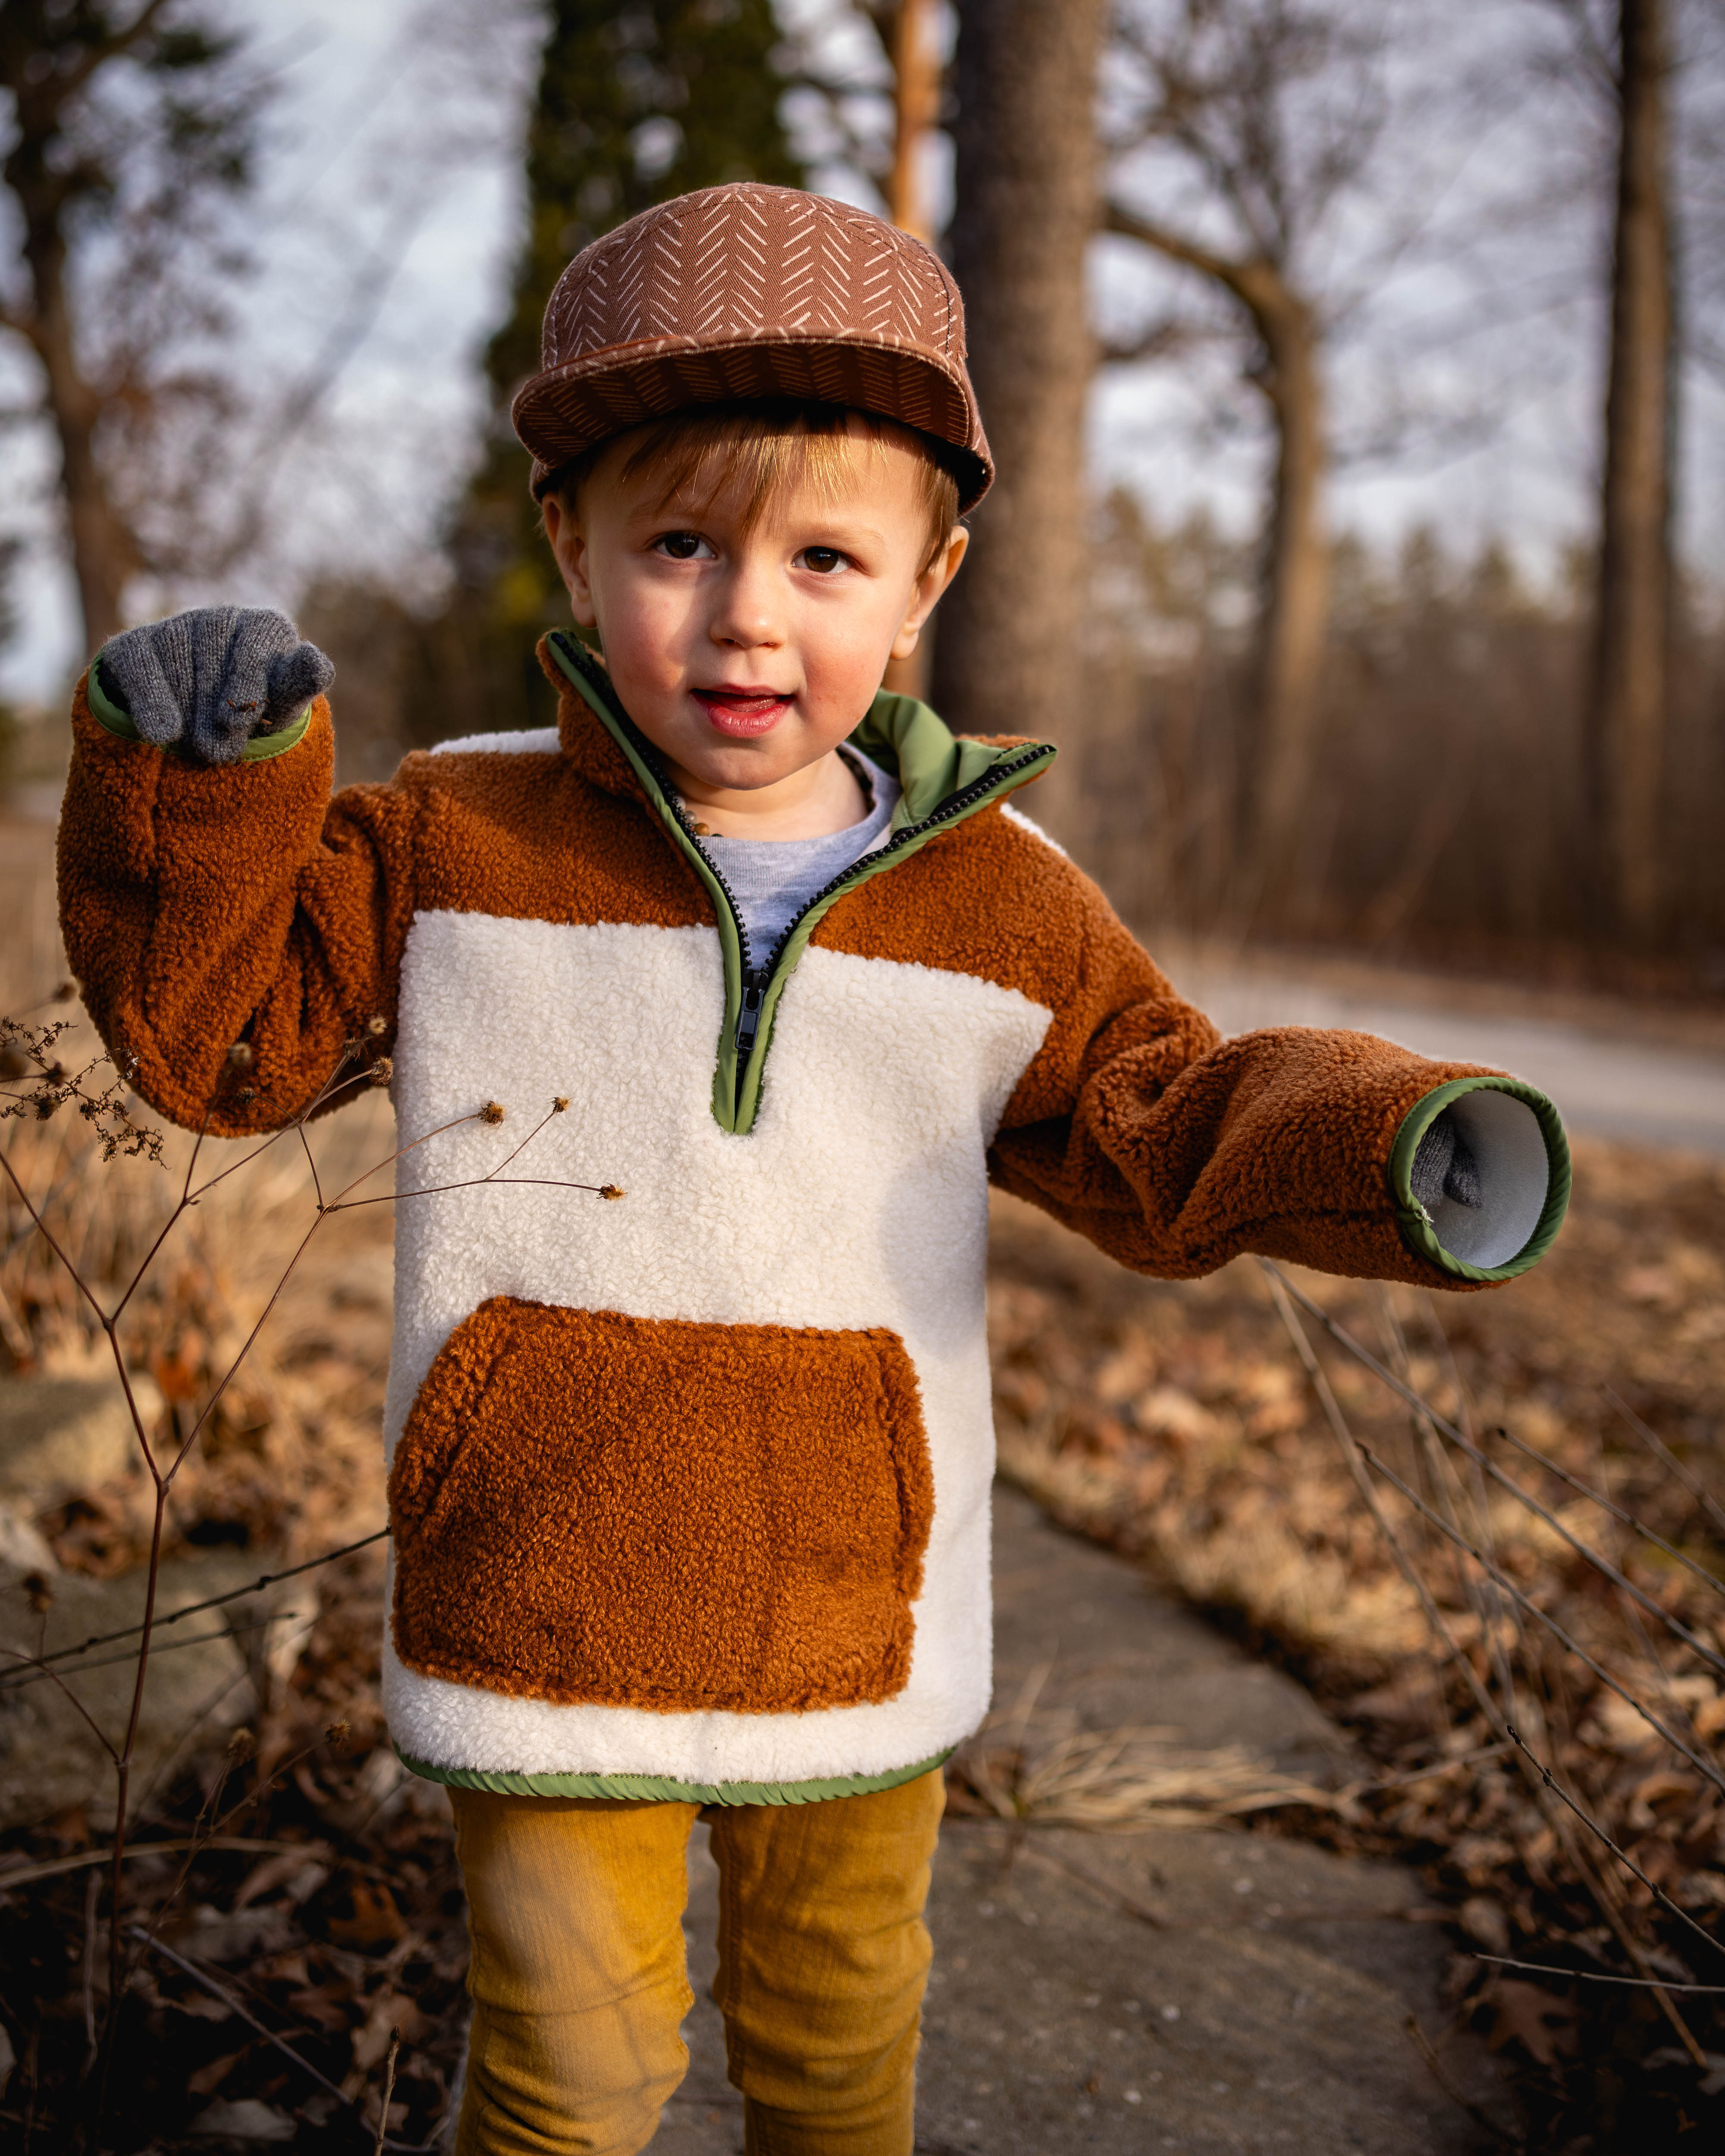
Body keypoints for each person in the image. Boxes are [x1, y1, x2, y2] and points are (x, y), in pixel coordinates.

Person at [56, 182, 1569, 2156]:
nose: (748, 610)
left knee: (840, 2066)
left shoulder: (997, 899)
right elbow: (223, 1040)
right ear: (573, 548)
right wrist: (200, 792)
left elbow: (1164, 1115)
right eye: (678, 540)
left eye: (825, 556)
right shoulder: (456, 837)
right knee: (566, 2084)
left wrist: (1386, 1139)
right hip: (547, 1601)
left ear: (924, 584)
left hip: (862, 1610)